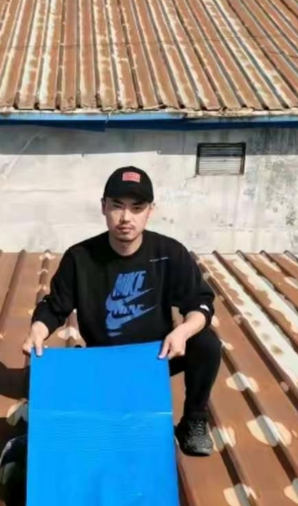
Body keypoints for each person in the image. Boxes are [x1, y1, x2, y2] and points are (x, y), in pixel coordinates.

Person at [22, 166, 222, 456]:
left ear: (150, 210)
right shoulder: (80, 257)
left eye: (137, 208)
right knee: (67, 415)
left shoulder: (170, 253)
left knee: (206, 342)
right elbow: (54, 306)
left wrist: (183, 331)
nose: (126, 217)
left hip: (156, 357)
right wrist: (37, 331)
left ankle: (193, 421)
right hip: (103, 360)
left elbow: (201, 303)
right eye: (117, 206)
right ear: (104, 206)